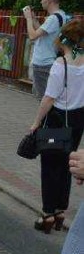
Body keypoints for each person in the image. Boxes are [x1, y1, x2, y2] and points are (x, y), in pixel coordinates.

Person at [28, 19, 84, 233]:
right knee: (66, 166)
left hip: (58, 119)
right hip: (78, 120)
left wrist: (36, 122)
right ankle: (61, 211)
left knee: (50, 166)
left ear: (63, 39)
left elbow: (48, 99)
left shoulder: (61, 65)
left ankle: (48, 215)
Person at [24, 0, 69, 99]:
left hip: (43, 63)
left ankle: (46, 117)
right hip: (48, 61)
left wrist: (28, 19)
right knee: (47, 98)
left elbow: (33, 36)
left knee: (44, 99)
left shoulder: (53, 19)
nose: (41, 1)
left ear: (49, 0)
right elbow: (43, 34)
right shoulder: (61, 15)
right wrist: (34, 19)